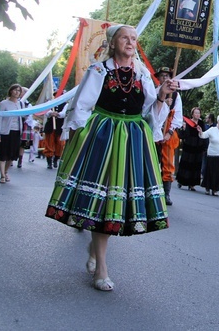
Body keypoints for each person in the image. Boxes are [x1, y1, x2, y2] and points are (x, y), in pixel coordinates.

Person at [45, 24, 171, 292]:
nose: (130, 42)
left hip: (134, 140)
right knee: (101, 199)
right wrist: (75, 137)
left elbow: (151, 112)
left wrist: (161, 96)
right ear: (113, 43)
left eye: (134, 38)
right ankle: (101, 267)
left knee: (115, 201)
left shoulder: (143, 74)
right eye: (125, 37)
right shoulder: (99, 70)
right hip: (102, 136)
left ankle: (95, 250)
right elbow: (82, 105)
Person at [152, 67, 183, 206]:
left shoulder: (175, 95)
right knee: (151, 162)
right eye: (162, 76)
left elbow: (178, 116)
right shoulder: (153, 91)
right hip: (153, 131)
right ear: (158, 78)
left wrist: (169, 133)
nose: (164, 78)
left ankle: (166, 193)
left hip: (167, 135)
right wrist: (163, 102)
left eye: (167, 76)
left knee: (168, 165)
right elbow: (149, 110)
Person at [0, 84, 32, 183]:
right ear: (11, 91)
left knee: (13, 154)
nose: (17, 92)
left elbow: (24, 116)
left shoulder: (21, 104)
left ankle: (5, 171)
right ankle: (2, 175)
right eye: (15, 90)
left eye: (19, 91)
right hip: (5, 131)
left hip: (16, 131)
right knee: (2, 153)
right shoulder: (4, 103)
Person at [198, 114, 219, 196]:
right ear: (217, 121)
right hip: (213, 155)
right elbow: (203, 135)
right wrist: (200, 132)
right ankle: (207, 187)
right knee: (210, 172)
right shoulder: (212, 130)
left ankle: (215, 189)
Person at [176, 107, 207, 191]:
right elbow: (183, 135)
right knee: (186, 164)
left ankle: (192, 184)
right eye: (195, 113)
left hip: (198, 147)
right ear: (192, 114)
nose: (197, 114)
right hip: (189, 146)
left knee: (196, 166)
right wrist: (184, 128)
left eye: (198, 113)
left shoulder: (201, 123)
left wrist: (204, 146)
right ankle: (182, 181)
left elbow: (204, 135)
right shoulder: (188, 122)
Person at [43, 99, 67, 169]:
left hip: (60, 127)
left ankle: (56, 159)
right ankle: (49, 161)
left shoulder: (66, 104)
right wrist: (51, 113)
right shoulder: (50, 102)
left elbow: (64, 113)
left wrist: (57, 114)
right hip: (50, 126)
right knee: (49, 144)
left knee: (60, 144)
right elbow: (46, 111)